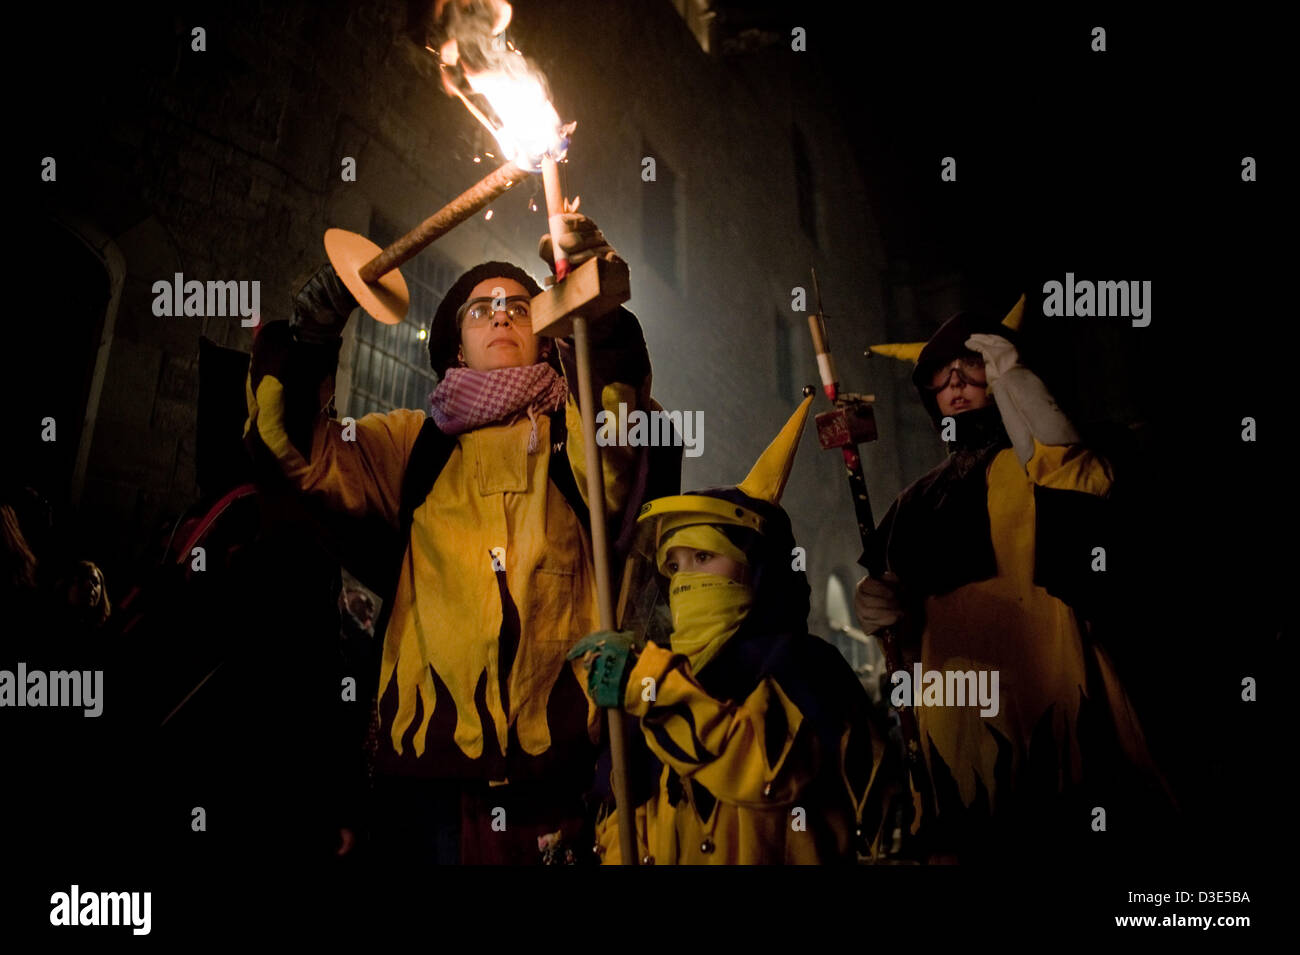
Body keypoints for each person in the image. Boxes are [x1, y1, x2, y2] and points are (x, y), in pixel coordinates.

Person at [244, 213, 674, 863]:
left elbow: (618, 443)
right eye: (481, 309)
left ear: (549, 332)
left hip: (554, 793)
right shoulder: (408, 445)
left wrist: (601, 323)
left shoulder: (574, 444)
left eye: (521, 307)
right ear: (453, 347)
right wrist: (310, 339)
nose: (502, 315)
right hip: (422, 793)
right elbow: (293, 452)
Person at [854, 308, 1166, 861]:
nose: (954, 382)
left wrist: (1017, 386)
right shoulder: (912, 505)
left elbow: (1080, 488)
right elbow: (903, 636)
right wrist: (879, 610)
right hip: (960, 731)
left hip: (1055, 697)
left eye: (970, 364)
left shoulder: (1053, 462)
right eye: (940, 373)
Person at [570, 394, 886, 864]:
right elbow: (629, 820)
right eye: (674, 566)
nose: (685, 579)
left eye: (703, 558)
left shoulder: (806, 668)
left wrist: (651, 689)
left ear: (754, 567)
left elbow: (767, 774)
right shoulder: (662, 676)